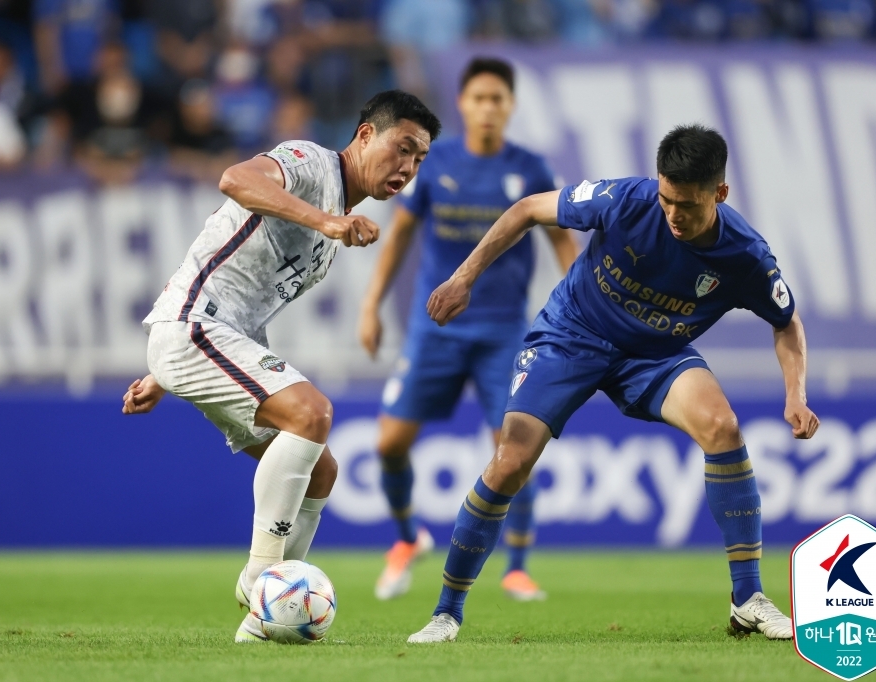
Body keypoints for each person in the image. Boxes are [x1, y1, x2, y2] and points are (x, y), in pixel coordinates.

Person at [407, 124, 819, 643]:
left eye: (688, 205)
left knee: (723, 427)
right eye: (667, 199)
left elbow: (787, 323)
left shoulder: (745, 256)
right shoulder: (625, 200)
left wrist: (795, 394)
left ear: (720, 193)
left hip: (654, 353)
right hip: (571, 334)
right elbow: (528, 209)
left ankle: (748, 599)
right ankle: (447, 613)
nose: (673, 215)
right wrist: (464, 277)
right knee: (510, 460)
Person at [121, 90, 441, 643]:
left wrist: (162, 377)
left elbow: (244, 298)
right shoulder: (310, 162)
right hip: (193, 327)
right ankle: (261, 579)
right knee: (312, 414)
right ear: (366, 135)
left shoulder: (334, 222)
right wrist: (325, 221)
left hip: (204, 339)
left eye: (420, 159)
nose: (408, 167)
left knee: (322, 470)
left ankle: (260, 627)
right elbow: (234, 179)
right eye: (402, 148)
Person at [359, 58, 577, 602]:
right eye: (478, 98)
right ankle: (408, 539)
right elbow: (401, 236)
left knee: (512, 447)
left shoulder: (529, 169)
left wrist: (580, 303)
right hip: (434, 328)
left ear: (510, 106)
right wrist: (371, 306)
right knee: (389, 443)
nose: (487, 108)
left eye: (497, 99)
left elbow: (560, 240)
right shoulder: (433, 163)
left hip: (504, 331)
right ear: (462, 103)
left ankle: (517, 566)